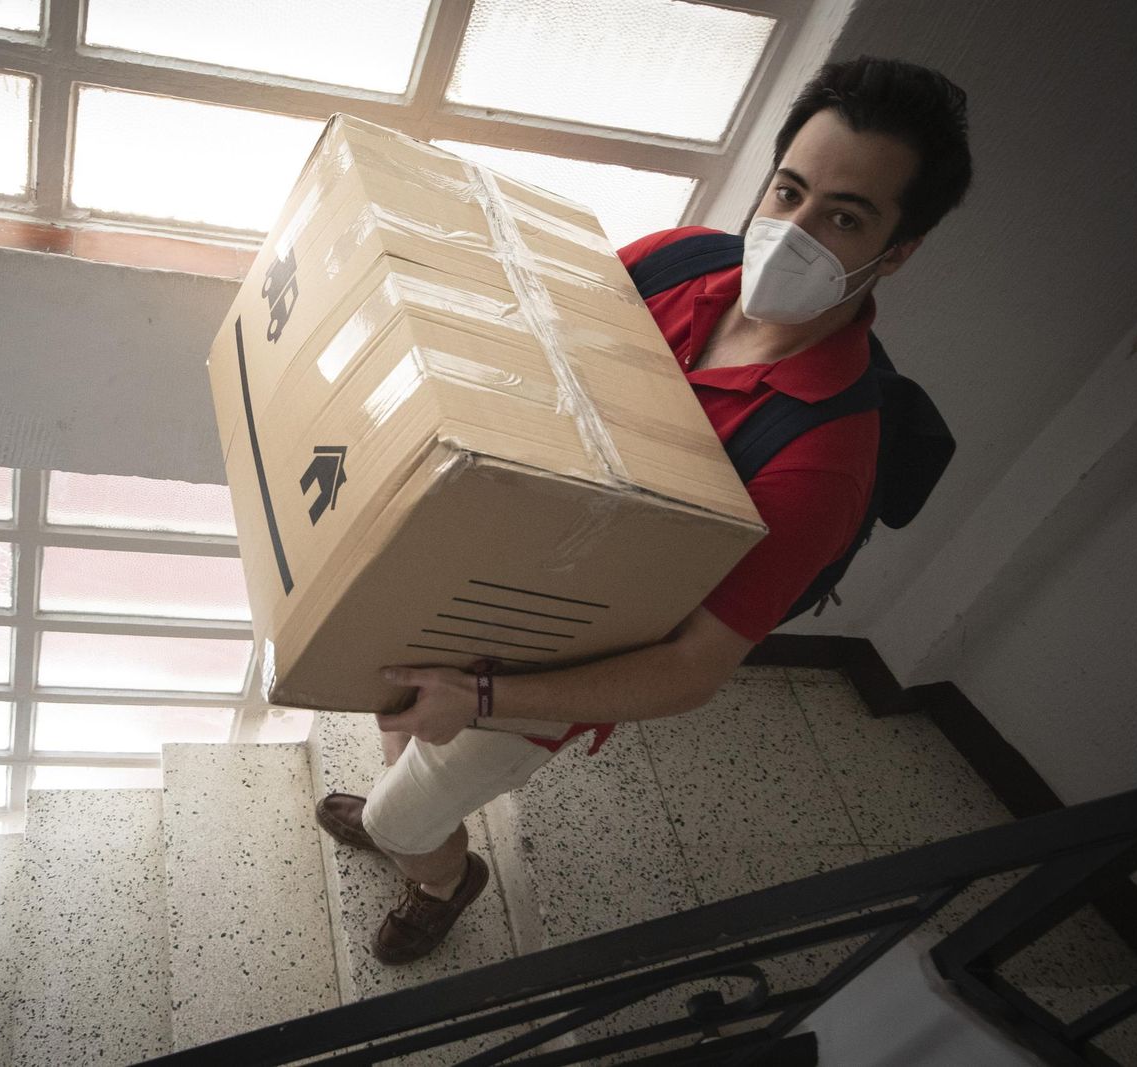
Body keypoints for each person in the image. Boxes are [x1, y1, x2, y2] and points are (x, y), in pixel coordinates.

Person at [315, 55, 974, 965]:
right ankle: (409, 801)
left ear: (896, 252)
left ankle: (438, 874)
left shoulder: (820, 458)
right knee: (392, 711)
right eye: (788, 191)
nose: (794, 230)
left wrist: (482, 697)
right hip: (468, 572)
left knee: (406, 812)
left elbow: (692, 668)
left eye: (844, 217)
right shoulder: (683, 259)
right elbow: (528, 351)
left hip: (541, 671)